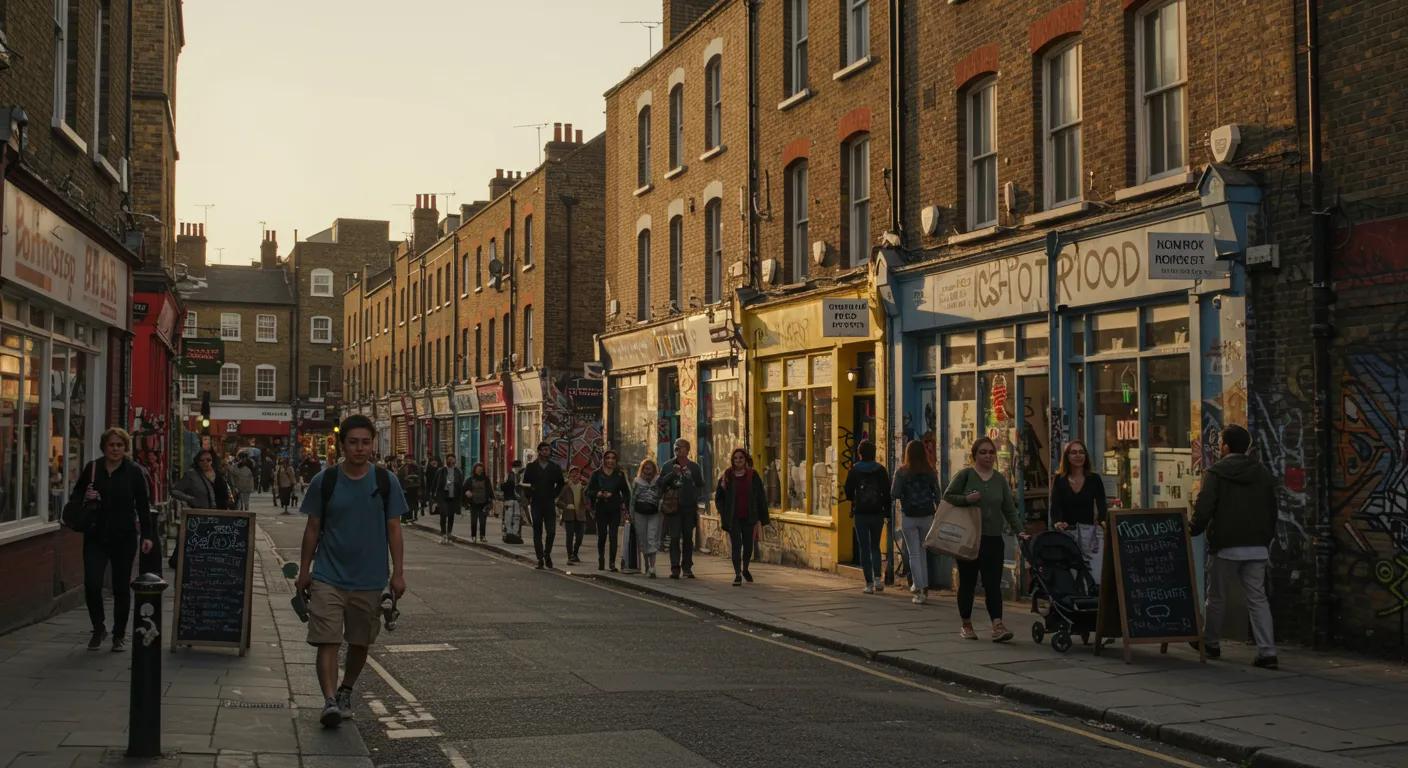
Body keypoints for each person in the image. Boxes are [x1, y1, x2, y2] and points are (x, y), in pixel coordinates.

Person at [294, 415, 408, 729]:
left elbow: (395, 530)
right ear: (342, 444)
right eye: (353, 442)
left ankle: (346, 690)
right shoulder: (324, 481)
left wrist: (398, 573)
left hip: (369, 579)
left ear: (373, 444)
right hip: (328, 575)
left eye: (365, 442)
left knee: (360, 643)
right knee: (327, 640)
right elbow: (312, 528)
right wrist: (305, 571)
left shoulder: (386, 482)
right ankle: (330, 700)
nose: (360, 449)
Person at [1190, 425, 1279, 669]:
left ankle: (1211, 643)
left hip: (1226, 545)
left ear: (1226, 446)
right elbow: (1273, 509)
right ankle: (1267, 651)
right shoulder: (1261, 473)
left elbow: (1205, 506)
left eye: (1220, 442)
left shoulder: (1216, 473)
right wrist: (1266, 538)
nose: (1219, 446)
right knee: (1258, 598)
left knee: (1217, 596)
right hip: (1257, 546)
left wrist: (1193, 528)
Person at [76, 428, 156, 652]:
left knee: (121, 587)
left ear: (125, 448)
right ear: (104, 447)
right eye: (111, 445)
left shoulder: (134, 472)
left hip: (124, 536)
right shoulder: (93, 469)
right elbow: (76, 496)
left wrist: (147, 535)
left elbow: (143, 505)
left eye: (119, 445)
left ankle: (119, 634)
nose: (115, 449)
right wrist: (86, 497)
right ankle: (98, 627)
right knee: (92, 584)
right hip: (95, 535)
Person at [944, 437, 1024, 642]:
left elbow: (1008, 509)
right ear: (975, 455)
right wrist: (966, 499)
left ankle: (997, 625)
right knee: (968, 583)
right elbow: (948, 496)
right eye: (983, 452)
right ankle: (966, 624)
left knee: (992, 584)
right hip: (969, 538)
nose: (988, 456)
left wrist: (1019, 531)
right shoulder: (965, 475)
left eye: (991, 452)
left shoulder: (999, 480)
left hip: (993, 539)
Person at [1049, 439, 1108, 584]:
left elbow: (1102, 505)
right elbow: (1055, 506)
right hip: (1068, 532)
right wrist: (1057, 522)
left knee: (1093, 573)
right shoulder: (1059, 480)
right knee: (1071, 572)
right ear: (1067, 457)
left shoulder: (1094, 479)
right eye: (1073, 452)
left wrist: (1102, 522)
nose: (1078, 455)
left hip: (1089, 533)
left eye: (1081, 452)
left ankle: (1091, 600)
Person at [892, 440, 941, 605]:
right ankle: (924, 588)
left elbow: (894, 493)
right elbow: (938, 495)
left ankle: (919, 587)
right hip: (927, 515)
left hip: (909, 516)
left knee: (913, 553)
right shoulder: (930, 472)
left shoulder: (902, 472)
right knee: (923, 552)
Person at [714, 448, 768, 586]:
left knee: (749, 545)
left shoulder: (752, 475)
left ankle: (745, 569)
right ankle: (737, 574)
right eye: (735, 458)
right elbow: (719, 496)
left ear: (745, 460)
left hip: (749, 516)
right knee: (736, 545)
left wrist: (763, 517)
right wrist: (723, 511)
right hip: (733, 517)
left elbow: (760, 496)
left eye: (741, 458)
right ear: (733, 460)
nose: (738, 460)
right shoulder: (727, 475)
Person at [845, 440, 891, 594]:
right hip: (877, 513)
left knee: (864, 548)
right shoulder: (880, 470)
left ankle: (869, 583)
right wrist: (887, 511)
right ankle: (878, 579)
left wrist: (854, 500)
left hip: (861, 513)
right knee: (875, 546)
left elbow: (848, 491)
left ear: (860, 454)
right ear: (874, 453)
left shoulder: (855, 470)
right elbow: (887, 492)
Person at [659, 438, 705, 579]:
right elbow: (660, 484)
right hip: (673, 506)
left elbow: (700, 485)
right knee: (674, 538)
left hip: (688, 507)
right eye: (676, 447)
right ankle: (674, 568)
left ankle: (687, 567)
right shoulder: (667, 466)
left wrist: (690, 477)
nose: (678, 449)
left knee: (687, 537)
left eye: (681, 447)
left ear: (687, 450)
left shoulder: (694, 467)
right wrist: (673, 474)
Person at [522, 443, 567, 569]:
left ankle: (547, 554)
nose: (547, 452)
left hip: (549, 502)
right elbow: (525, 484)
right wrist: (530, 494)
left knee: (551, 531)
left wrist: (555, 494)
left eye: (548, 450)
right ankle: (540, 558)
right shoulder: (531, 467)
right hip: (536, 502)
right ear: (539, 451)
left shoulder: (554, 467)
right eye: (545, 450)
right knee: (537, 530)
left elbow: (561, 483)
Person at [586, 450, 631, 571]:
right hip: (601, 508)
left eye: (613, 458)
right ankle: (601, 558)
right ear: (604, 460)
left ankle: (612, 562)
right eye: (608, 458)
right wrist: (598, 493)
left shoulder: (619, 475)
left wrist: (623, 504)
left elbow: (626, 493)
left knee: (613, 535)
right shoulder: (596, 474)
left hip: (614, 508)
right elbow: (588, 491)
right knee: (602, 535)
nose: (610, 461)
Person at [630, 458, 664, 578]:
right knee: (643, 539)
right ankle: (646, 564)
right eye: (645, 468)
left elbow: (662, 494)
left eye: (649, 468)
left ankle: (652, 567)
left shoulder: (658, 481)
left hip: (654, 513)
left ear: (654, 469)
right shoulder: (637, 482)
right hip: (640, 513)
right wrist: (631, 514)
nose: (647, 470)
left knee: (651, 538)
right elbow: (633, 500)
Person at [558, 466, 588, 564]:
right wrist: (566, 506)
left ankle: (575, 553)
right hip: (569, 516)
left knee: (580, 537)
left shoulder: (583, 487)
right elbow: (558, 501)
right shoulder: (566, 488)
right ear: (569, 475)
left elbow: (588, 500)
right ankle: (570, 555)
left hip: (581, 515)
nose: (575, 475)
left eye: (577, 473)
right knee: (569, 536)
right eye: (572, 473)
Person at [432, 455, 464, 544]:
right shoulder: (441, 471)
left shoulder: (458, 472)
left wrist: (461, 500)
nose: (451, 462)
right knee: (443, 514)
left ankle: (449, 533)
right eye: (449, 460)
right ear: (446, 461)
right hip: (443, 496)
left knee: (451, 515)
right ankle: (443, 534)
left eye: (453, 460)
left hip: (453, 496)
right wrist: (434, 498)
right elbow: (435, 484)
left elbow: (461, 485)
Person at [463, 462, 493, 543]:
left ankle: (482, 536)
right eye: (478, 469)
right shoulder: (470, 479)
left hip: (484, 503)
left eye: (481, 470)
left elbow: (490, 490)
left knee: (483, 521)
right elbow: (464, 489)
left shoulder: (486, 479)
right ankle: (473, 536)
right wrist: (467, 492)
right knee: (474, 521)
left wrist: (491, 500)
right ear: (475, 470)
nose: (480, 471)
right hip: (474, 503)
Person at [399, 458, 422, 524]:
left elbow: (419, 478)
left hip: (413, 488)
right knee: (407, 503)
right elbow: (401, 478)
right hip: (407, 488)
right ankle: (404, 519)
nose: (410, 461)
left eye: (411, 460)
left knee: (411, 503)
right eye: (408, 460)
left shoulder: (415, 468)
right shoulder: (403, 468)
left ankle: (409, 517)